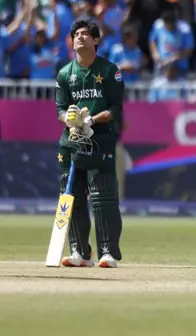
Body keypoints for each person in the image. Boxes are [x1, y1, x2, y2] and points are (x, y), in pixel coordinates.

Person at [55, 19, 125, 268]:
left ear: (96, 40)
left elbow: (115, 108)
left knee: (103, 196)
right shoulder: (65, 74)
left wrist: (90, 121)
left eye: (85, 34)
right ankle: (80, 253)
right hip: (72, 141)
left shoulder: (109, 70)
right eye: (76, 34)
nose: (80, 37)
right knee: (71, 194)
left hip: (100, 139)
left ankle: (108, 252)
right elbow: (61, 110)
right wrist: (72, 122)